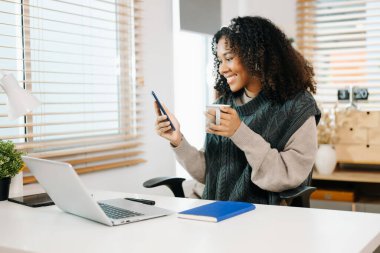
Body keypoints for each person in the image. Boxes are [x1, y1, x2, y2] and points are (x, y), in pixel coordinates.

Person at [154, 16, 321, 204]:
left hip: (263, 219)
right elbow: (209, 173)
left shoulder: (298, 106)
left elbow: (286, 176)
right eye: (220, 60)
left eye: (229, 58)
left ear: (255, 55)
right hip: (217, 212)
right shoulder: (224, 105)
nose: (222, 69)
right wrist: (178, 142)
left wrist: (239, 132)